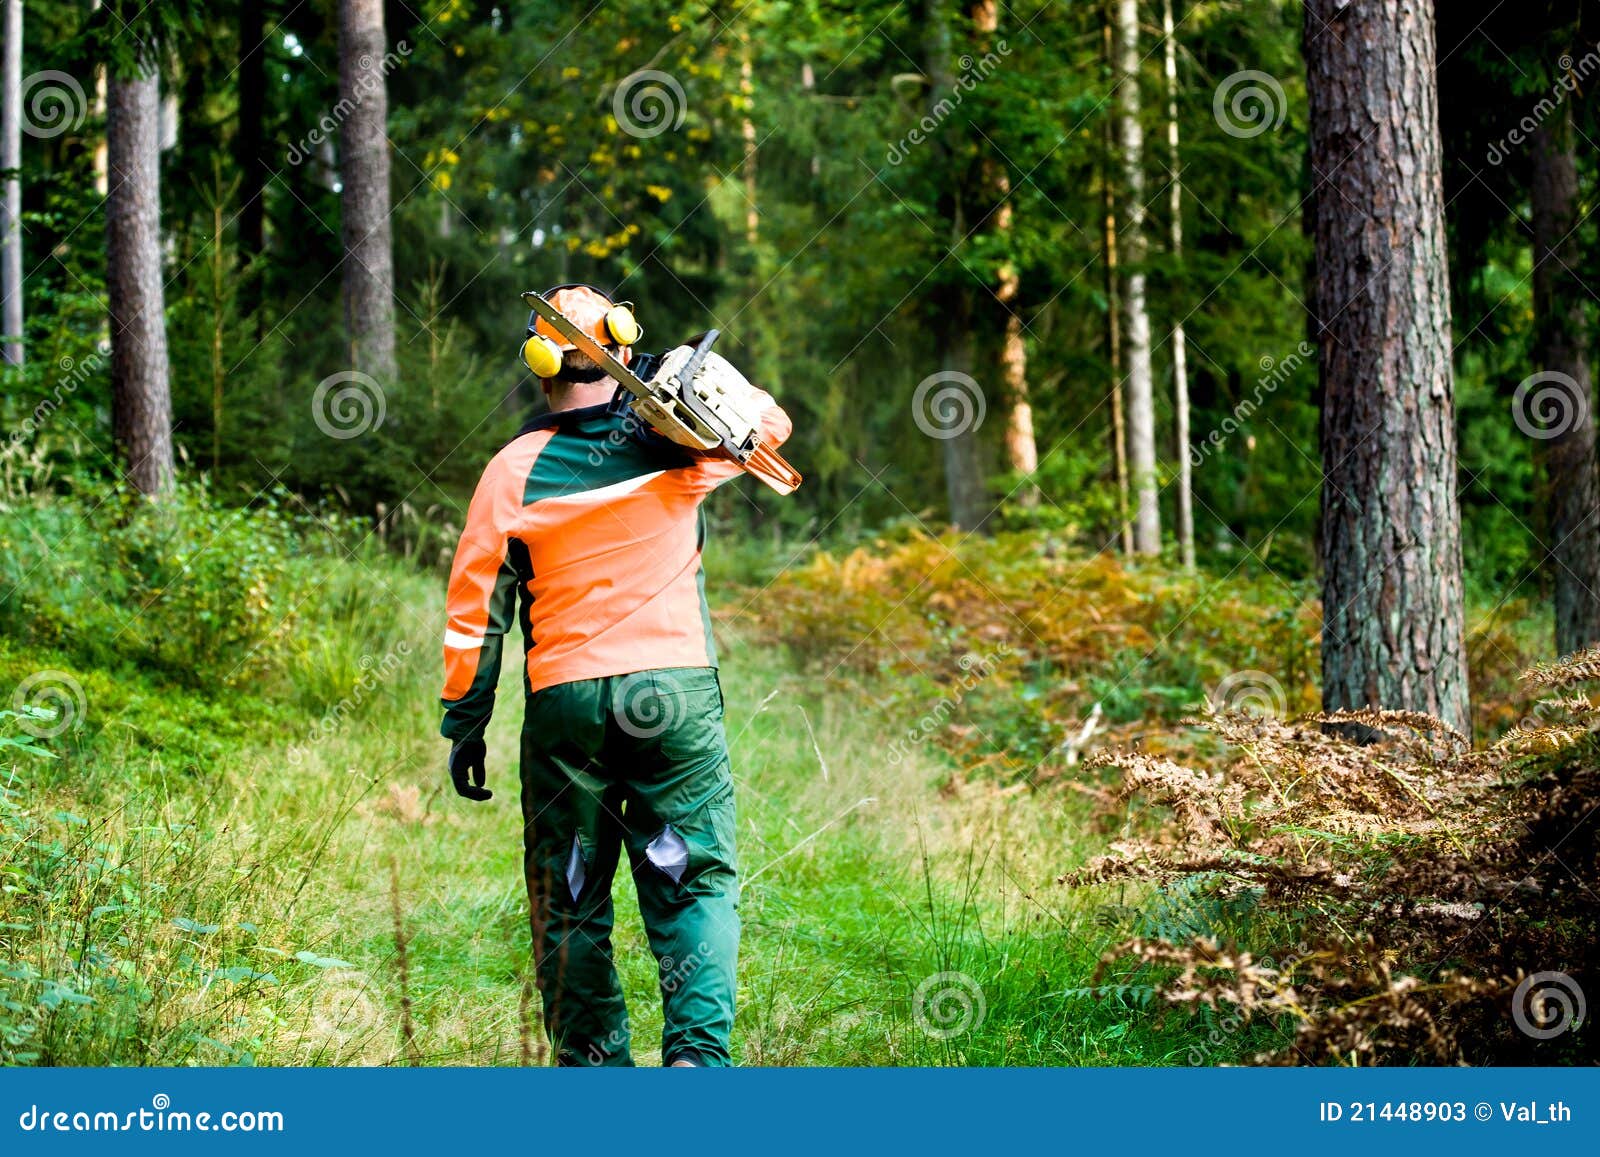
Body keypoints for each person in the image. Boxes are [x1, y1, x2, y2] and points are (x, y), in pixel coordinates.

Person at [439, 284, 792, 1067]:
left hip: (567, 707)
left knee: (568, 899)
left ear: (540, 367)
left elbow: (474, 611)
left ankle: (595, 1076)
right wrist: (686, 394)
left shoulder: (512, 471)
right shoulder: (681, 445)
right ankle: (696, 1064)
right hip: (673, 697)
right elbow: (770, 425)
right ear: (625, 351)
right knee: (692, 877)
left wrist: (465, 719)